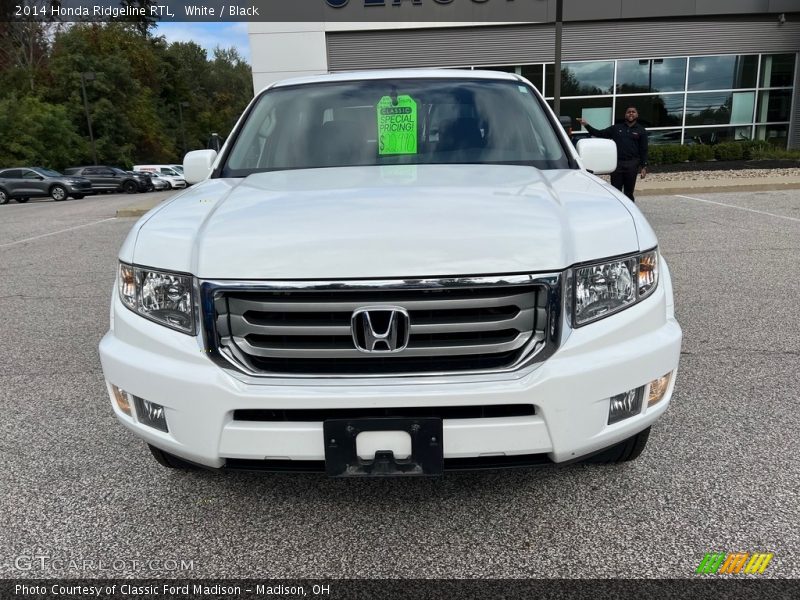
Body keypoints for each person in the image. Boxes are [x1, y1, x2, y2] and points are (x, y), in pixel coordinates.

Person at [578, 107, 648, 202]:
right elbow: (599, 133)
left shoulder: (641, 130)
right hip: (617, 164)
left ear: (637, 115)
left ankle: (630, 211)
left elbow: (643, 149)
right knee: (615, 191)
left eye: (633, 112)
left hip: (632, 164)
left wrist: (644, 166)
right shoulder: (616, 128)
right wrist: (586, 125)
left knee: (629, 192)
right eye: (628, 112)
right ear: (625, 115)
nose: (631, 114)